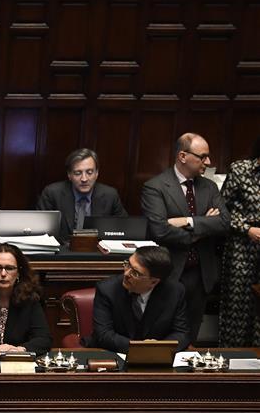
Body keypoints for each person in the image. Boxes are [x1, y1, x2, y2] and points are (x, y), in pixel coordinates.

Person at [141, 133, 229, 345]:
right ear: (182, 156)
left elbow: (225, 222)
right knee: (162, 336)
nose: (208, 162)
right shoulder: (156, 187)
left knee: (189, 338)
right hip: (169, 273)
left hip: (200, 275)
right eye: (203, 157)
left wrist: (187, 221)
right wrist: (202, 228)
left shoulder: (209, 187)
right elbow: (160, 231)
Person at [91, 246, 189, 353]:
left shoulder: (175, 292)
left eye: (135, 273)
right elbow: (104, 335)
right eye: (127, 265)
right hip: (115, 354)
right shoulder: (107, 289)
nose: (126, 274)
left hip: (157, 359)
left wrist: (159, 348)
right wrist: (141, 349)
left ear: (154, 282)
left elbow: (181, 333)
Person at [219, 134, 260, 347]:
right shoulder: (241, 169)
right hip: (242, 248)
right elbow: (221, 210)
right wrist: (247, 229)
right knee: (237, 308)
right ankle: (230, 359)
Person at [35, 148, 127, 242]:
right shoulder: (52, 193)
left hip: (98, 252)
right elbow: (39, 229)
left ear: (97, 173)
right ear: (69, 175)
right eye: (78, 173)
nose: (84, 179)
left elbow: (124, 228)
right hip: (61, 252)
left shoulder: (110, 195)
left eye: (89, 172)